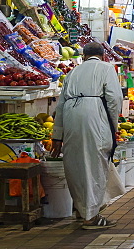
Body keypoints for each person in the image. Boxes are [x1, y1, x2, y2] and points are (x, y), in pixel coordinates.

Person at [50, 43, 123, 229]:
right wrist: (112, 125)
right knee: (95, 164)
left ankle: (81, 209)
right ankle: (90, 217)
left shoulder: (73, 72)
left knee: (76, 163)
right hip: (94, 115)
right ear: (103, 56)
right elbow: (114, 98)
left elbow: (60, 105)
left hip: (70, 115)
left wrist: (57, 136)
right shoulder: (107, 68)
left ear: (83, 57)